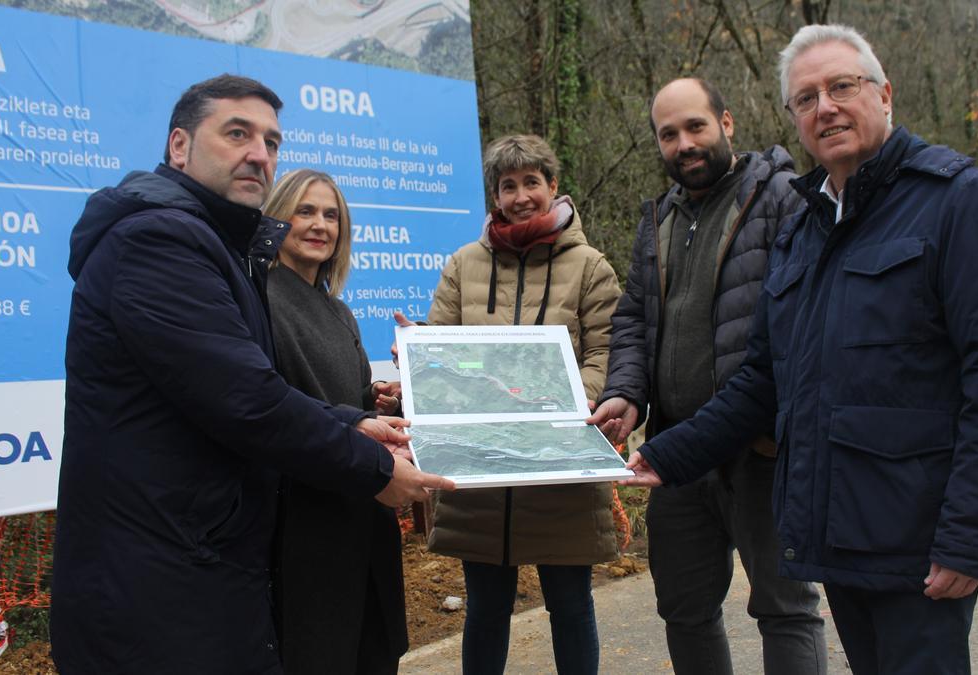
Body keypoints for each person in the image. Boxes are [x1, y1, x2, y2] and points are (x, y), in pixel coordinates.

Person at [623, 25, 978, 675]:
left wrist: (972, 537)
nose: (825, 107)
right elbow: (764, 377)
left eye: (841, 87)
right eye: (805, 98)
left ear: (884, 94)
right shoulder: (807, 228)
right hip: (841, 539)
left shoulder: (956, 202)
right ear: (794, 118)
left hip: (921, 544)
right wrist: (667, 454)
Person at [51, 75, 453, 674]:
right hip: (158, 583)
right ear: (179, 146)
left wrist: (357, 423)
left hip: (202, 565)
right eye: (236, 133)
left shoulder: (220, 250)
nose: (258, 153)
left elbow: (248, 391)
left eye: (270, 141)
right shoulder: (158, 241)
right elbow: (248, 401)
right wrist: (370, 466)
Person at [586, 77, 826, 674]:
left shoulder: (783, 199)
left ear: (727, 122)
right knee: (685, 610)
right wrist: (626, 392)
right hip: (675, 450)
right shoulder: (660, 217)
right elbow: (634, 318)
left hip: (764, 446)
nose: (684, 144)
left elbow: (795, 336)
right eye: (669, 134)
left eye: (695, 126)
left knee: (785, 609)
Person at [412, 133, 621, 674]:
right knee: (485, 608)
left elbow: (606, 351)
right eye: (509, 186)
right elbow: (442, 350)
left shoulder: (591, 266)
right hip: (481, 473)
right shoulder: (462, 264)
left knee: (571, 605)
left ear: (553, 187)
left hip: (561, 467)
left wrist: (578, 405)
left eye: (532, 182)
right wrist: (422, 357)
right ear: (495, 196)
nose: (521, 195)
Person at [263, 169, 407, 674]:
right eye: (305, 210)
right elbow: (272, 402)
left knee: (374, 650)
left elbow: (351, 394)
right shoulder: (259, 301)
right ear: (276, 215)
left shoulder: (340, 312)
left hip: (365, 512)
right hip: (303, 521)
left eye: (331, 215)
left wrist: (380, 400)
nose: (320, 224)